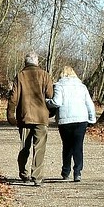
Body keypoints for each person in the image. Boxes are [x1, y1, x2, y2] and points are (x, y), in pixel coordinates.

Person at [7, 52, 53, 187]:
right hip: (41, 116)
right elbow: (50, 95)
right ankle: (37, 177)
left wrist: (10, 115)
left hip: (24, 116)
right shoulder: (45, 75)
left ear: (25, 62)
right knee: (39, 147)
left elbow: (13, 97)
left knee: (24, 147)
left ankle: (23, 172)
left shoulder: (20, 75)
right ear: (37, 62)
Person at [46, 66, 96, 182]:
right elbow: (89, 104)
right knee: (78, 147)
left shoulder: (58, 86)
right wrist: (92, 119)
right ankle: (77, 172)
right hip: (81, 120)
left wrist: (47, 102)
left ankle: (66, 171)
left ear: (62, 74)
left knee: (67, 146)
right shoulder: (82, 87)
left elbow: (56, 102)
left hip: (65, 121)